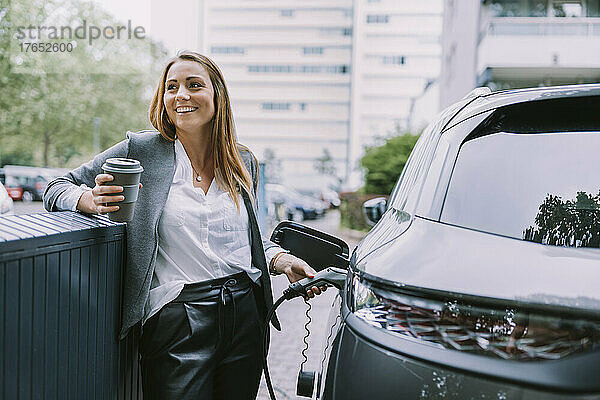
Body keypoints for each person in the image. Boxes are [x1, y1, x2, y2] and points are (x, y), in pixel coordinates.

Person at [43, 50, 325, 400]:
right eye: (171, 87)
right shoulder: (142, 149)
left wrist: (282, 260)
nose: (181, 95)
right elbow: (57, 186)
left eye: (194, 85)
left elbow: (246, 242)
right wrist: (88, 200)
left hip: (244, 314)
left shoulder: (243, 162)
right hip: (177, 317)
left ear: (217, 96)